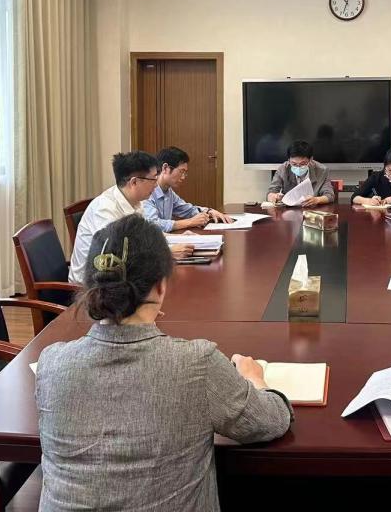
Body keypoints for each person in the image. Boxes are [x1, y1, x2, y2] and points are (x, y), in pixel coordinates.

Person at [36, 214, 293, 512]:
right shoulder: (196, 364)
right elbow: (271, 422)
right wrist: (255, 379)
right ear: (160, 286)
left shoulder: (52, 363)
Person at [69, 151, 160, 284]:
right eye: (153, 179)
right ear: (134, 182)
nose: (156, 185)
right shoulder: (105, 209)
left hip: (118, 275)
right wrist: (163, 252)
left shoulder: (136, 201)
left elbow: (143, 239)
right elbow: (116, 256)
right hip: (92, 285)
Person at [143, 146, 232, 232]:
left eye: (185, 173)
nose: (183, 177)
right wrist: (189, 222)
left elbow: (187, 210)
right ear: (165, 168)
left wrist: (208, 211)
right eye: (181, 171)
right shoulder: (147, 191)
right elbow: (152, 225)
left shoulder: (168, 191)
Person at [267, 140, 335, 207]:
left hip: (312, 209)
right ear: (289, 160)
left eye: (302, 164)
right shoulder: (283, 169)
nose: (298, 167)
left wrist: (317, 200)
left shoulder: (322, 170)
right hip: (289, 210)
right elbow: (271, 192)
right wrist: (273, 196)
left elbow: (330, 195)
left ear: (311, 159)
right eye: (294, 164)